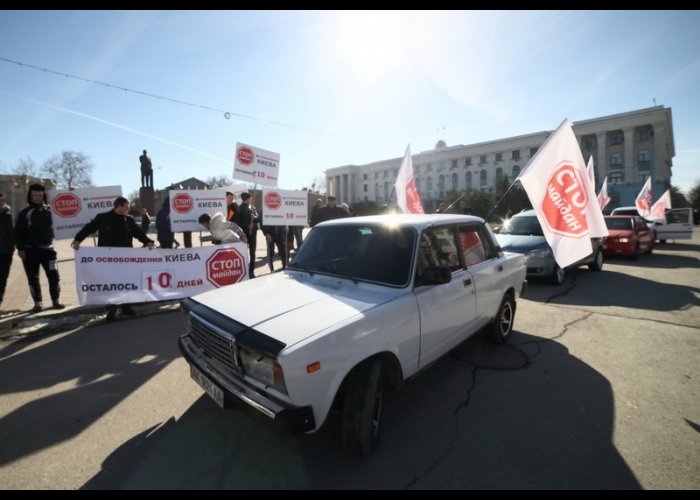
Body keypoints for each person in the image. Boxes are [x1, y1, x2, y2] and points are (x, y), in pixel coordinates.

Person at [71, 196, 155, 321]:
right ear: (119, 206)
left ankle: (126, 306)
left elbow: (138, 233)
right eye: (126, 207)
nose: (128, 209)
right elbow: (88, 229)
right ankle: (112, 308)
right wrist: (78, 239)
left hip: (126, 258)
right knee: (110, 283)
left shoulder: (129, 220)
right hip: (107, 259)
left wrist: (148, 242)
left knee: (126, 282)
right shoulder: (103, 218)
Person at [14, 184, 64, 312]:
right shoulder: (25, 212)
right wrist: (20, 248)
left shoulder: (51, 210)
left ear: (44, 196)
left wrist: (72, 192)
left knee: (54, 276)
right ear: (30, 196)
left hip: (49, 251)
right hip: (30, 251)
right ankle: (38, 303)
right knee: (33, 278)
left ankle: (56, 301)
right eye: (35, 195)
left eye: (40, 195)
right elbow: (18, 232)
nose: (37, 198)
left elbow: (68, 215)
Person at [233, 192, 258, 278]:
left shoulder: (253, 208)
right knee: (243, 253)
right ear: (247, 199)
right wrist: (248, 225)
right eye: (250, 198)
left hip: (253, 235)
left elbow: (257, 218)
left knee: (253, 253)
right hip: (244, 235)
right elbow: (237, 223)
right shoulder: (239, 209)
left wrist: (254, 219)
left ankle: (251, 271)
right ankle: (244, 271)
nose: (252, 199)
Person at [0, 192, 15, 310]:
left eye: (1, 201)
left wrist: (11, 250)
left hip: (4, 252)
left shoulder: (7, 215)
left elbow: (11, 234)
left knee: (2, 279)